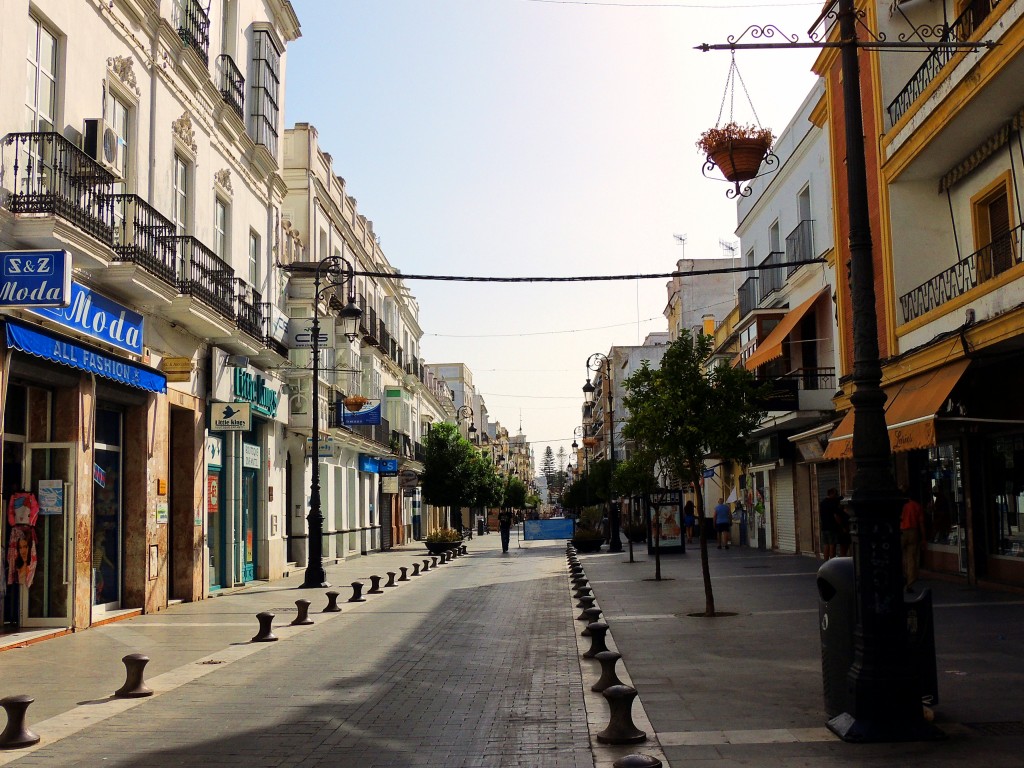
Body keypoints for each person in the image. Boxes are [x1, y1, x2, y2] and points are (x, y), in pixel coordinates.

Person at [900, 487, 927, 592]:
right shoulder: (917, 506)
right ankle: (910, 583)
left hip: (901, 531)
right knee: (912, 558)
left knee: (900, 556)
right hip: (913, 532)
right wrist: (924, 538)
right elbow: (921, 523)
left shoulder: (900, 506)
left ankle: (902, 577)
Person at [818, 488, 841, 560]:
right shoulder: (832, 503)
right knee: (832, 545)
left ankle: (825, 562)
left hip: (824, 527)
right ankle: (832, 562)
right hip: (832, 527)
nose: (836, 495)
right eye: (835, 494)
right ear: (831, 494)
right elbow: (836, 516)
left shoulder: (822, 503)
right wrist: (841, 525)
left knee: (826, 545)